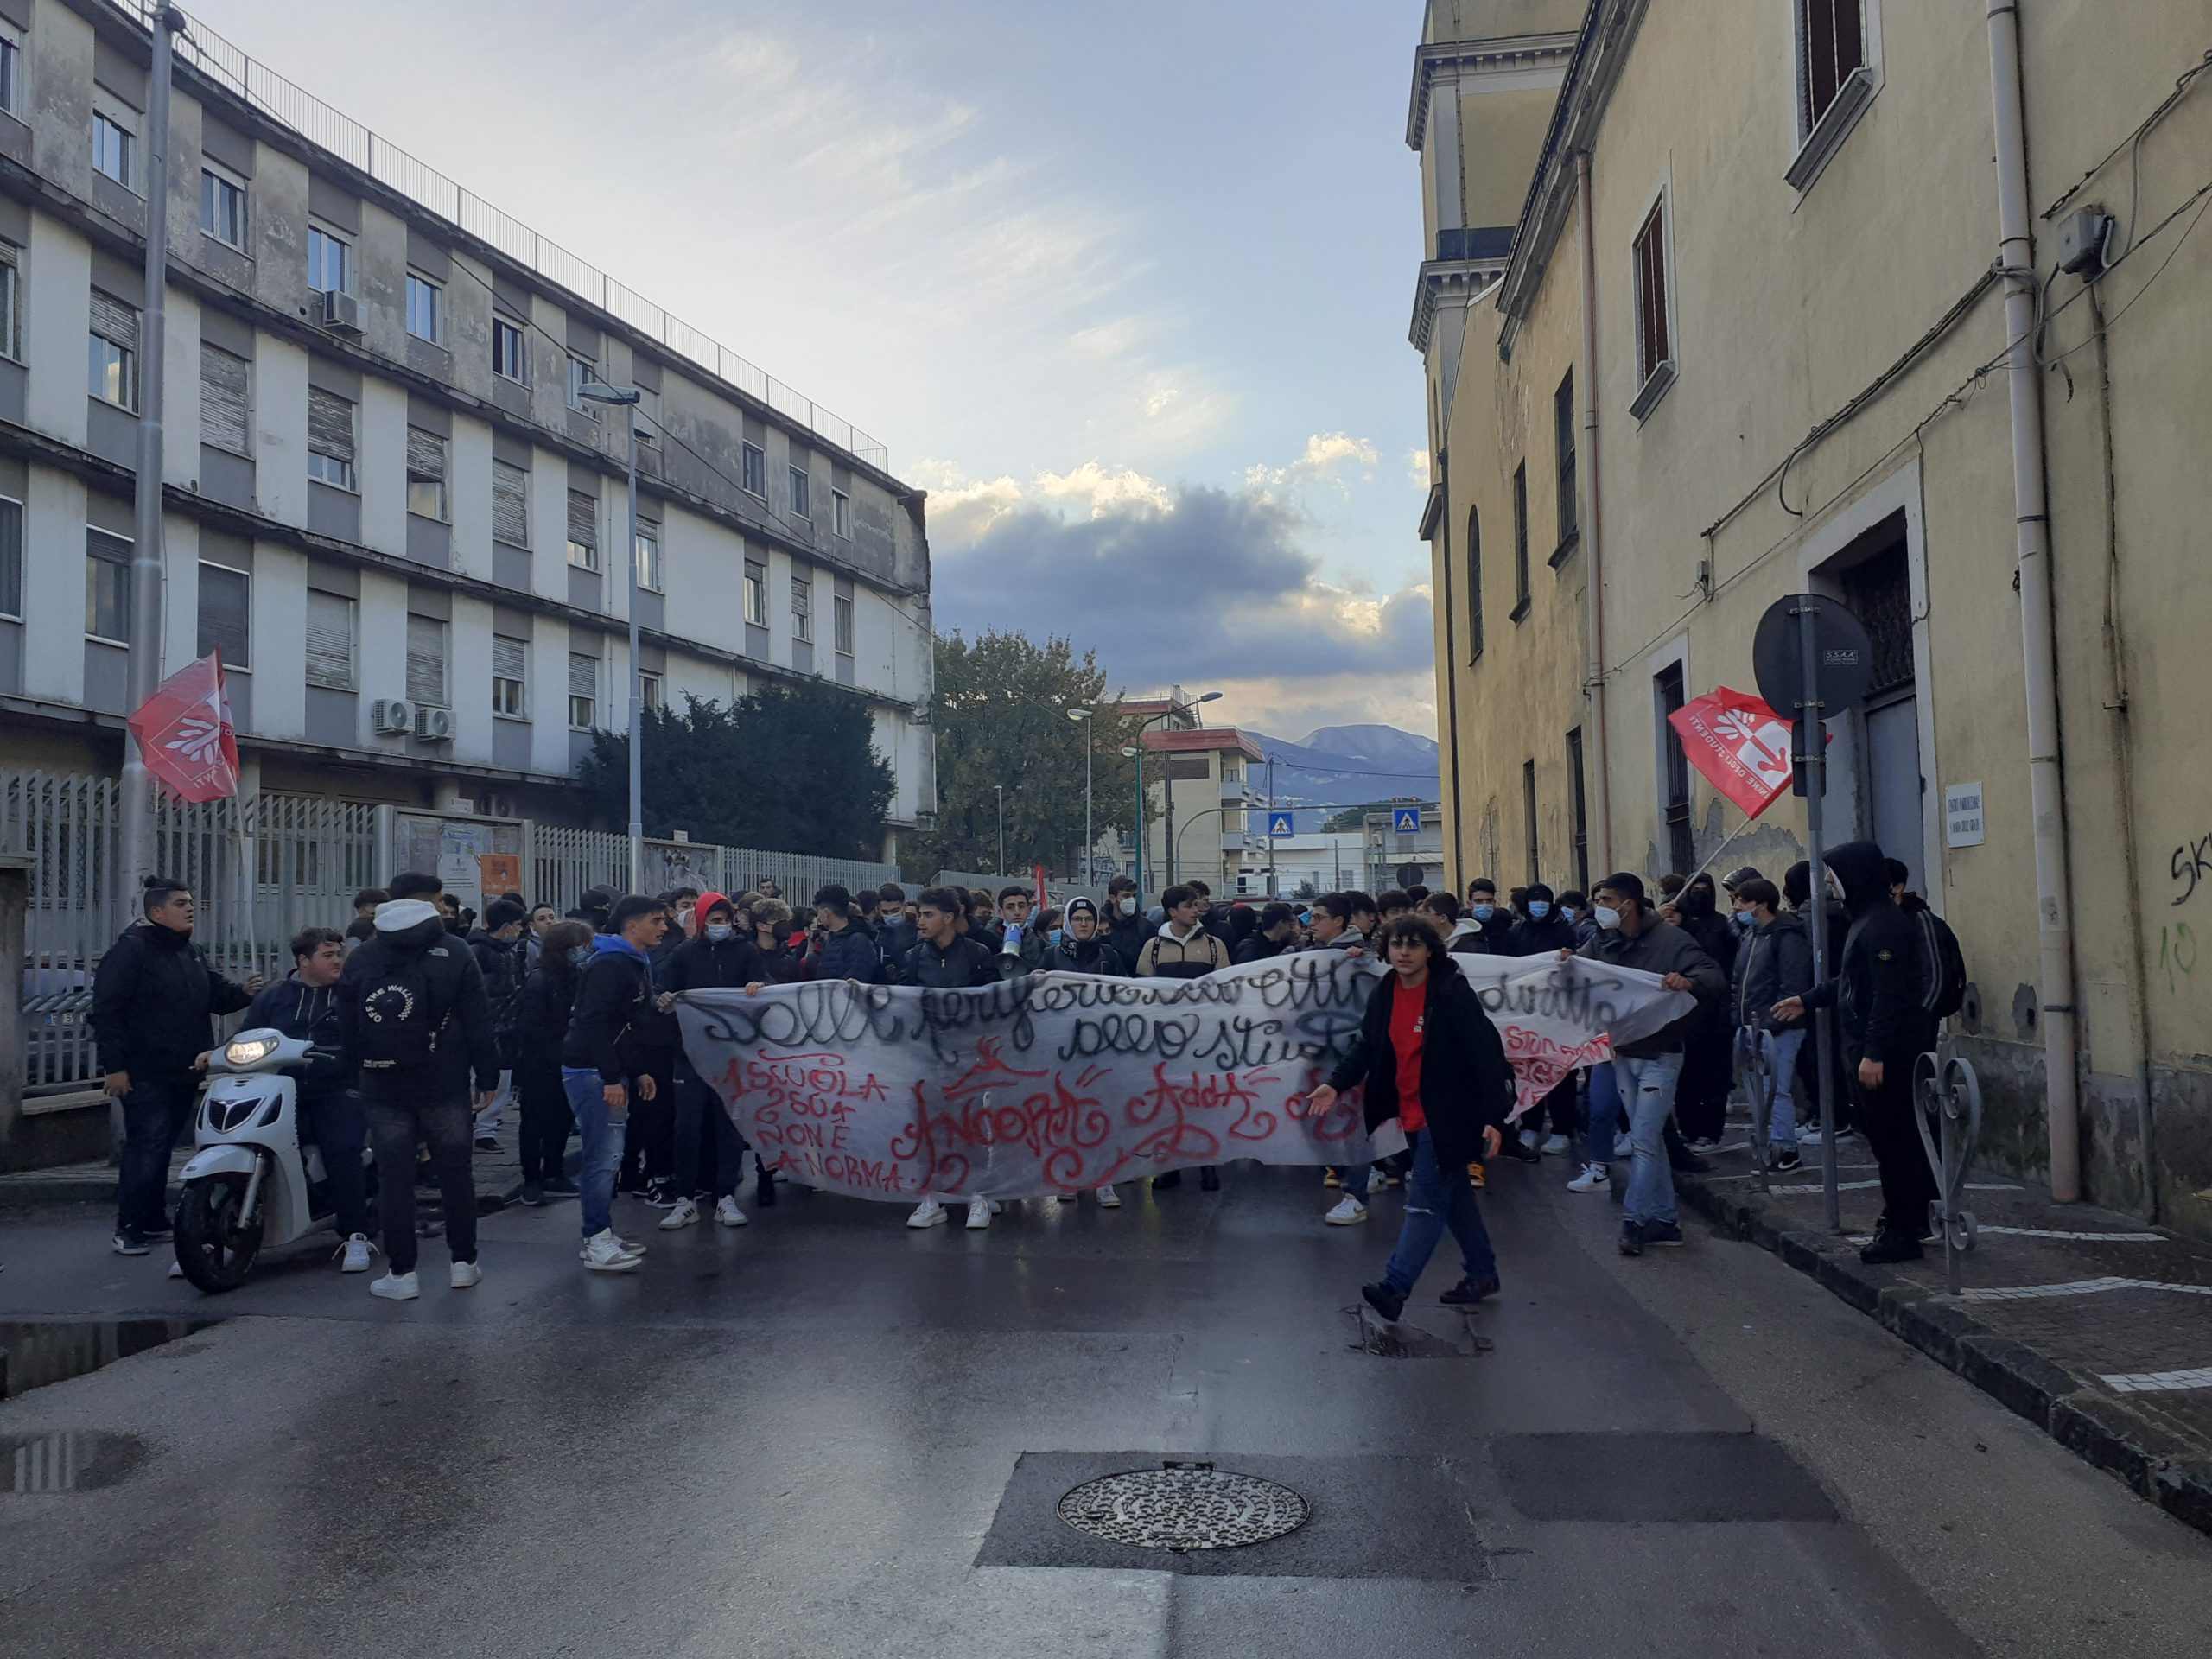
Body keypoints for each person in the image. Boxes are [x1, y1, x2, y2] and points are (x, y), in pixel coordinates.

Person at [1302, 915, 1511, 1322]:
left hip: (1451, 1115)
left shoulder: (1451, 993)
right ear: (1386, 950)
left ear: (1430, 950)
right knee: (1457, 1203)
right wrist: (1336, 1084)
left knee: (1426, 1203)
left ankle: (1395, 1288)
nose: (1404, 952)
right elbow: (1367, 1046)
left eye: (1413, 945)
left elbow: (1486, 1056)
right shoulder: (1386, 992)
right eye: (1397, 945)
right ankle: (1483, 1274)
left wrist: (1495, 1117)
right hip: (1412, 1112)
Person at [1775, 842, 1938, 1264]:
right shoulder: (1865, 920)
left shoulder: (1883, 926)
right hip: (1870, 1052)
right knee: (1887, 1142)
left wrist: (1874, 1052)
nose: (1829, 882)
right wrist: (1807, 999)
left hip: (1888, 1057)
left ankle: (1903, 1231)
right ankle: (1905, 1217)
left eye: (1834, 874)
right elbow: (1849, 981)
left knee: (1895, 1142)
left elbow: (1888, 996)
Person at [338, 884, 499, 1299]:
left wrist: (352, 1073)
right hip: (443, 1080)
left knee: (395, 1178)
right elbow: (479, 1019)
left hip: (382, 1083)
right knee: (456, 1173)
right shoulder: (455, 952)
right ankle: (464, 1263)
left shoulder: (363, 957)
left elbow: (348, 1026)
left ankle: (402, 1273)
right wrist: (488, 1076)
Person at [92, 878, 263, 1256]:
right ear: (156, 913)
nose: (190, 910)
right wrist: (115, 1067)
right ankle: (129, 1226)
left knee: (163, 1146)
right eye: (181, 904)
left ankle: (153, 1221)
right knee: (146, 1146)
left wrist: (244, 994)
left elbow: (216, 996)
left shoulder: (191, 952)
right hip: (143, 1071)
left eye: (191, 903)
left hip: (184, 1069)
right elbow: (107, 1012)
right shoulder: (131, 952)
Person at [1573, 873, 1726, 1255]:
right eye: (1598, 901)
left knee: (1642, 1139)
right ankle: (1666, 1221)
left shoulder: (1672, 941)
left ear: (1629, 903)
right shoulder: (1602, 942)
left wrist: (1686, 982)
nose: (1600, 908)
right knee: (1650, 1140)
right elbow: (1580, 970)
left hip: (1662, 1053)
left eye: (1606, 900)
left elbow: (1712, 975)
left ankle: (1636, 1220)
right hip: (1623, 1052)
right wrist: (1565, 962)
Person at [237, 927, 373, 1270]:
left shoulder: (350, 996)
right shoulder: (275, 996)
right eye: (328, 955)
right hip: (280, 1089)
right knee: (247, 1142)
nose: (337, 961)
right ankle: (208, 1236)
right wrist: (217, 1053)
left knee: (342, 1148)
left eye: (338, 954)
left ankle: (355, 1235)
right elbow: (247, 1035)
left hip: (337, 1089)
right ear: (303, 961)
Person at [659, 892, 785, 1228]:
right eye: (714, 921)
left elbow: (767, 985)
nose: (721, 927)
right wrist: (666, 999)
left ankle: (725, 1195)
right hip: (689, 1055)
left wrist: (760, 987)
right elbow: (663, 989)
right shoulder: (683, 953)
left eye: (725, 920)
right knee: (687, 1126)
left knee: (729, 1124)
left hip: (732, 1056)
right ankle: (685, 1197)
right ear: (702, 922)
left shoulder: (745, 951)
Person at [560, 894, 670, 1273]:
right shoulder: (611, 965)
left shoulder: (633, 962)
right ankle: (596, 1241)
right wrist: (610, 1076)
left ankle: (602, 1232)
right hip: (591, 1072)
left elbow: (625, 1025)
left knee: (609, 1156)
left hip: (606, 1070)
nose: (664, 928)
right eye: (656, 921)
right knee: (602, 1159)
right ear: (632, 926)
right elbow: (593, 1023)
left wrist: (635, 1070)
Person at [898, 886, 1003, 1230]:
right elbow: (900, 1001)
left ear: (948, 917)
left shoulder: (978, 953)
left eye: (928, 915)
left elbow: (996, 1001)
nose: (921, 922)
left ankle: (977, 1196)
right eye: (919, 915)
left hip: (970, 1058)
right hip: (927, 1057)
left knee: (973, 1128)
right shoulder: (914, 957)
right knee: (930, 1128)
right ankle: (932, 1199)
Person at [1135, 884, 1232, 1193]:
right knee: (1167, 1103)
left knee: (1206, 1102)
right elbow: (1141, 991)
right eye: (1189, 906)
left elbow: (1227, 988)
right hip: (1164, 1041)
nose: (1196, 910)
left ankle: (1209, 1165)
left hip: (1204, 1038)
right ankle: (1169, 1166)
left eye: (1196, 906)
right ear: (1172, 912)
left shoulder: (1215, 945)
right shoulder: (1152, 946)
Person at [1039, 897, 1129, 1210]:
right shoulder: (1051, 956)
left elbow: (1126, 996)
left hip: (1102, 1048)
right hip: (1062, 1048)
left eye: (1088, 919)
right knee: (1066, 1115)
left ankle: (1104, 1180)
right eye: (1076, 918)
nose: (1083, 924)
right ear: (1067, 922)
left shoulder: (1109, 955)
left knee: (1101, 1113)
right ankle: (1069, 1178)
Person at [1731, 877, 1812, 1173]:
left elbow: (1792, 984)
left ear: (1761, 905)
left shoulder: (1787, 936)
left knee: (1775, 1089)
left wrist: (1770, 1024)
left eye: (1742, 901)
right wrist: (1736, 1018)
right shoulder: (1750, 937)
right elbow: (1739, 982)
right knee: (1758, 1090)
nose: (1737, 907)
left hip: (1779, 1028)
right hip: (1750, 1026)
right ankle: (1769, 1145)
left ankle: (1786, 1149)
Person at [510, 919, 590, 1205]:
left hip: (568, 1061)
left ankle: (554, 1172)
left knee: (562, 1120)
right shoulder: (539, 980)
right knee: (534, 1124)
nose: (583, 951)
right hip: (539, 1066)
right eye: (579, 946)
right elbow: (530, 1029)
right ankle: (532, 1179)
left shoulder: (577, 975)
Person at [1504, 883, 1580, 1155]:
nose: (1539, 904)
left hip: (1557, 1013)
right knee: (1528, 1070)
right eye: (1533, 899)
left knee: (1560, 1072)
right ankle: (1530, 1125)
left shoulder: (1563, 933)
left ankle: (1562, 1130)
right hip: (1525, 1014)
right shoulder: (1515, 933)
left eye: (1543, 899)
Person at [1669, 872, 1739, 1147]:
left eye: (1704, 890)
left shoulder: (1723, 925)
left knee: (1715, 1078)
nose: (1699, 894)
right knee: (1687, 1080)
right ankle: (1688, 1129)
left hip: (1715, 1013)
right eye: (1694, 889)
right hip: (1684, 1015)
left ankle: (1711, 1131)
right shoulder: (1678, 928)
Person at [468, 897, 531, 1150]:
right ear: (506, 926)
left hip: (507, 1025)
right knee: (475, 1078)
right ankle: (471, 1124)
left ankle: (486, 1129)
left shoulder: (512, 952)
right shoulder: (476, 951)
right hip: (484, 1024)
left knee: (502, 1080)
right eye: (516, 925)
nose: (518, 931)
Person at [804, 884, 884, 983]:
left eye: (818, 912)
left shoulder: (859, 941)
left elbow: (858, 980)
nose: (818, 918)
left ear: (826, 912)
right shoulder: (831, 940)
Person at [993, 885, 1045, 979]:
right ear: (1000, 913)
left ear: (1029, 911)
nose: (1017, 912)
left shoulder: (1040, 943)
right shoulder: (989, 940)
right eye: (1010, 907)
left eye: (1021, 906)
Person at [1234, 901, 1300, 964]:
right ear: (1281, 923)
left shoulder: (1273, 945)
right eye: (1289, 925)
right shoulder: (1252, 950)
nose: (1290, 929)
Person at [1104, 875, 1148, 963]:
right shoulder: (1100, 926)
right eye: (1126, 896)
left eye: (1134, 896)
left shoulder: (1146, 928)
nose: (1131, 900)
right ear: (1112, 898)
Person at [875, 883, 917, 963]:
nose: (891, 915)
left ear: (905, 906)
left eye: (895, 911)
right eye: (885, 912)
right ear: (879, 909)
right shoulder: (875, 934)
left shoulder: (919, 930)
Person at [342, 887, 386, 954]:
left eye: (383, 905)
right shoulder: (358, 927)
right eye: (375, 906)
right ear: (361, 910)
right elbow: (351, 953)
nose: (380, 909)